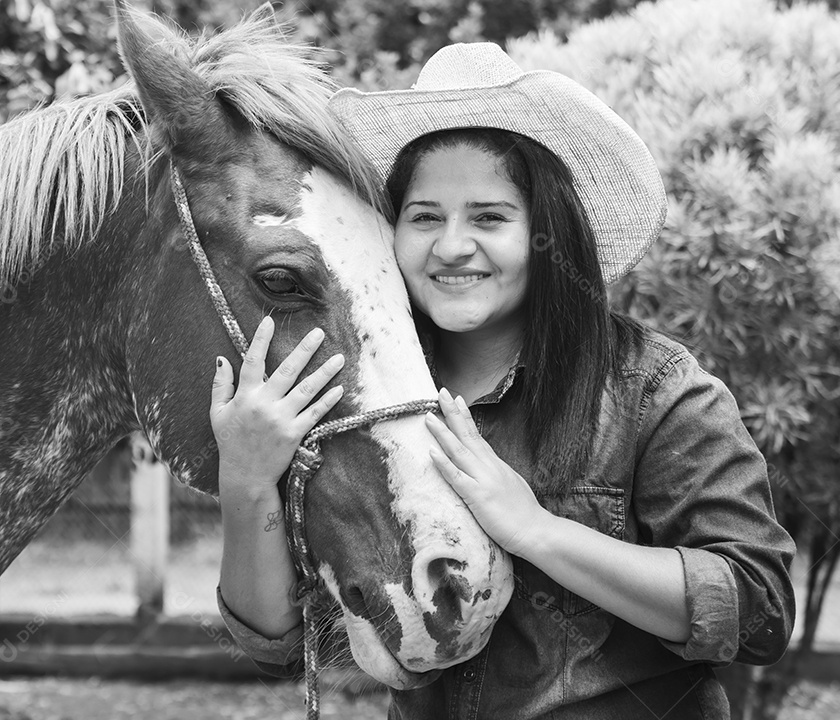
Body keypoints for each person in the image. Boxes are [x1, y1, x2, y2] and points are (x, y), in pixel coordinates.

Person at [208, 43, 795, 719]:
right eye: (425, 217)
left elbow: (757, 613)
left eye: (489, 217)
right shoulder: (357, 391)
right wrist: (246, 482)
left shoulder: (654, 390)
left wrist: (537, 530)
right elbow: (276, 644)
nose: (453, 246)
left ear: (547, 231)